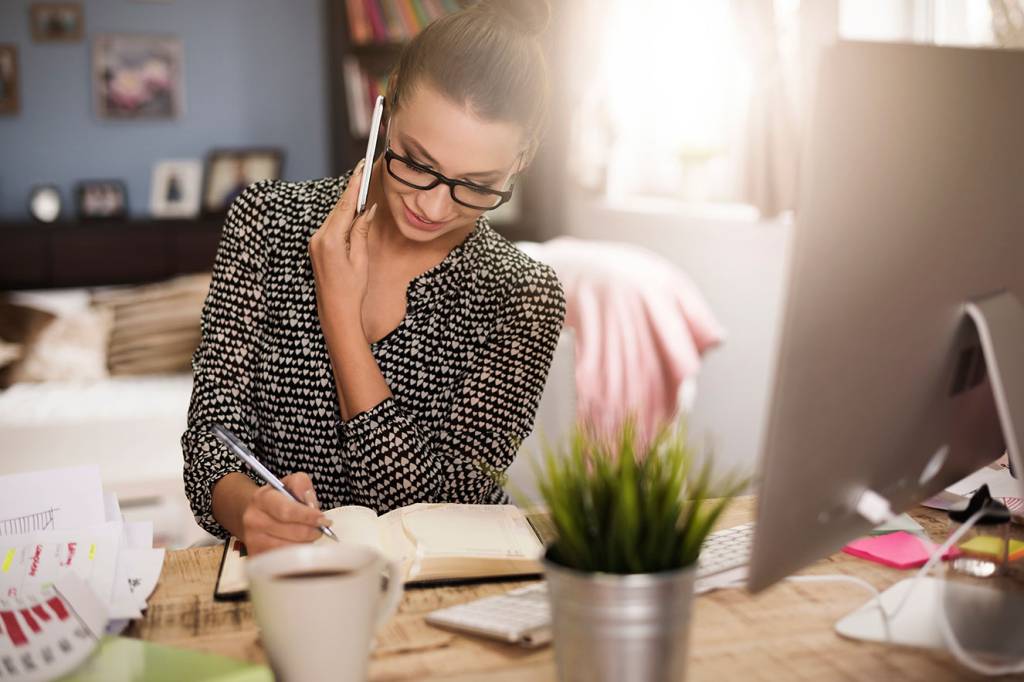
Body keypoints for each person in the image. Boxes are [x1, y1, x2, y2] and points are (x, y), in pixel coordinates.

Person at [182, 0, 565, 555]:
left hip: (437, 599)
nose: (433, 208)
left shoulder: (521, 296)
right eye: (416, 161)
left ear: (521, 160)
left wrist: (340, 317)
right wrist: (248, 511)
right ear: (384, 111)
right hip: (281, 580)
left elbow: (440, 511)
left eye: (477, 185)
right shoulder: (265, 221)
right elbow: (211, 441)